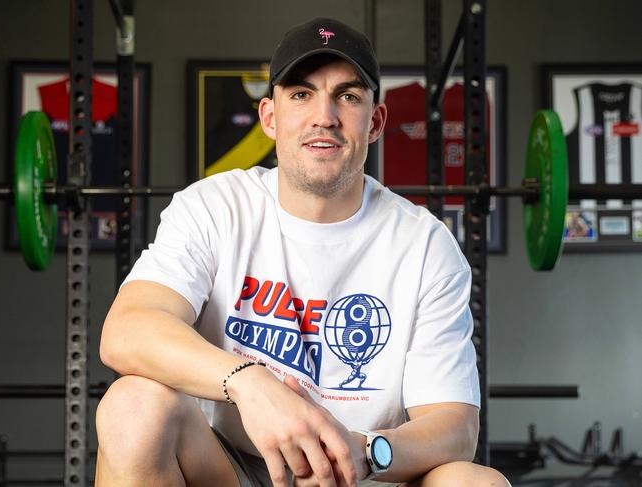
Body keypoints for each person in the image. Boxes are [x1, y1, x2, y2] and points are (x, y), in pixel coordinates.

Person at [95, 17, 510, 487]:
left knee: (477, 483)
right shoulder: (214, 207)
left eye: (348, 97)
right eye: (301, 94)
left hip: (361, 474)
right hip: (234, 470)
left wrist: (366, 450)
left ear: (375, 122)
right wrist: (250, 383)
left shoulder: (426, 245)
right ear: (270, 117)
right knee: (132, 407)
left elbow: (456, 427)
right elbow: (126, 331)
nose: (324, 116)